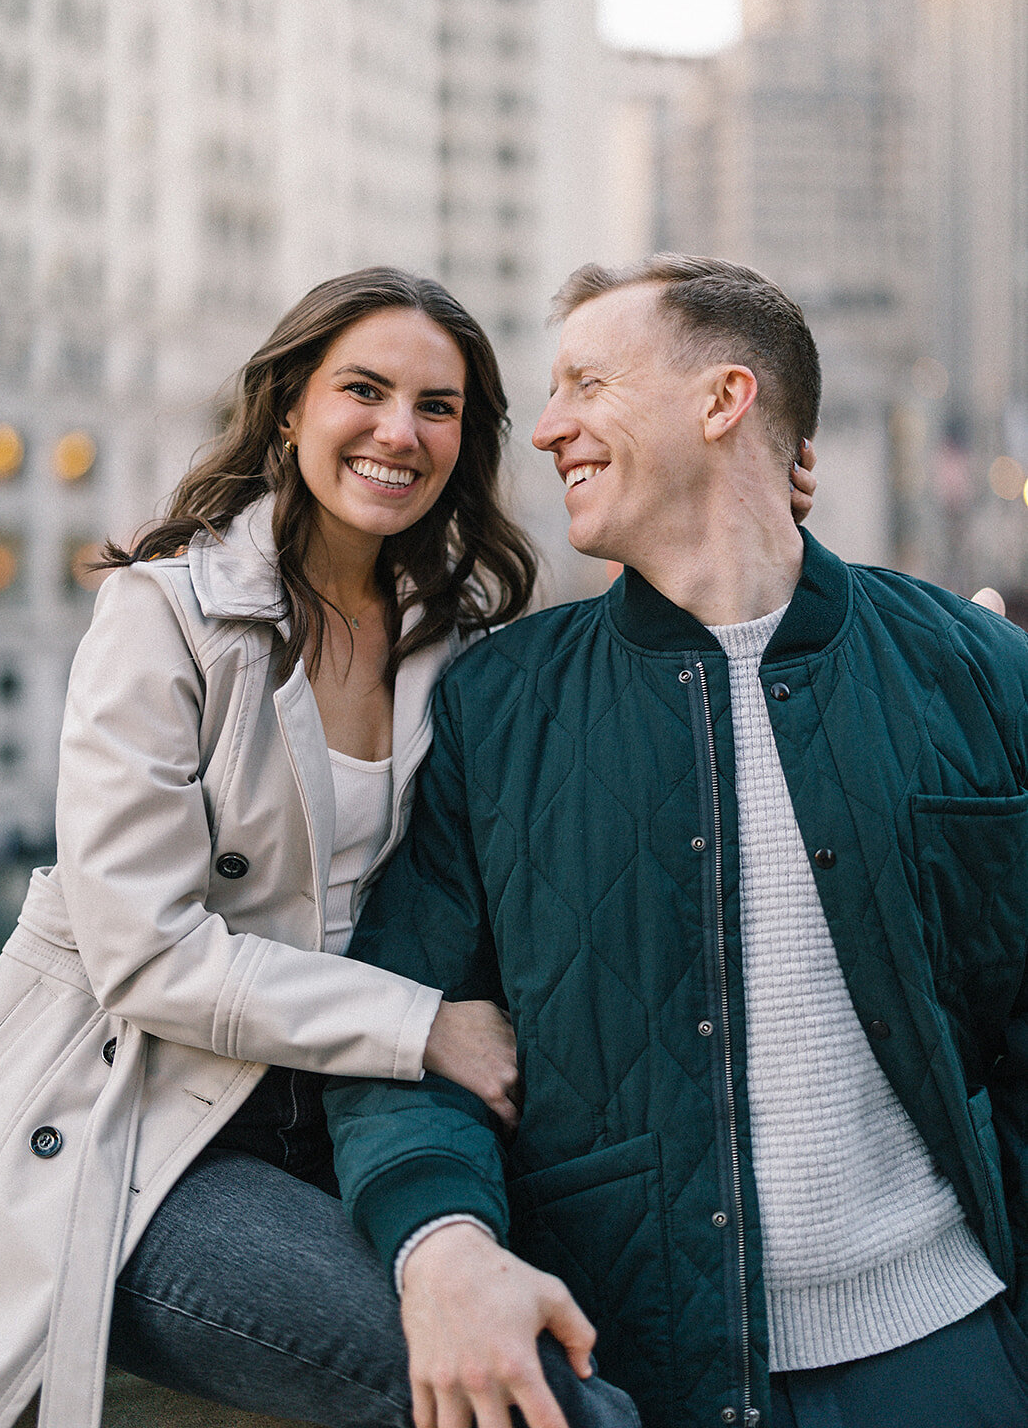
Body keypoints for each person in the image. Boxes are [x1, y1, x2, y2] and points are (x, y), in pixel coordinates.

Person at [325, 254, 1028, 1428]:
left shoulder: (974, 669)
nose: (546, 427)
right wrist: (440, 1241)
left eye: (587, 383)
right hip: (630, 1372)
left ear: (722, 401)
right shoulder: (495, 708)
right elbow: (403, 1023)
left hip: (953, 1360)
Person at [0, 267, 542, 1428]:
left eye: (436, 406)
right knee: (496, 1391)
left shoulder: (457, 641)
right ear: (287, 408)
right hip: (147, 1121)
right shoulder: (165, 615)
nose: (398, 431)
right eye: (363, 390)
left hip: (361, 1111)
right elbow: (146, 956)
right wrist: (423, 1024)